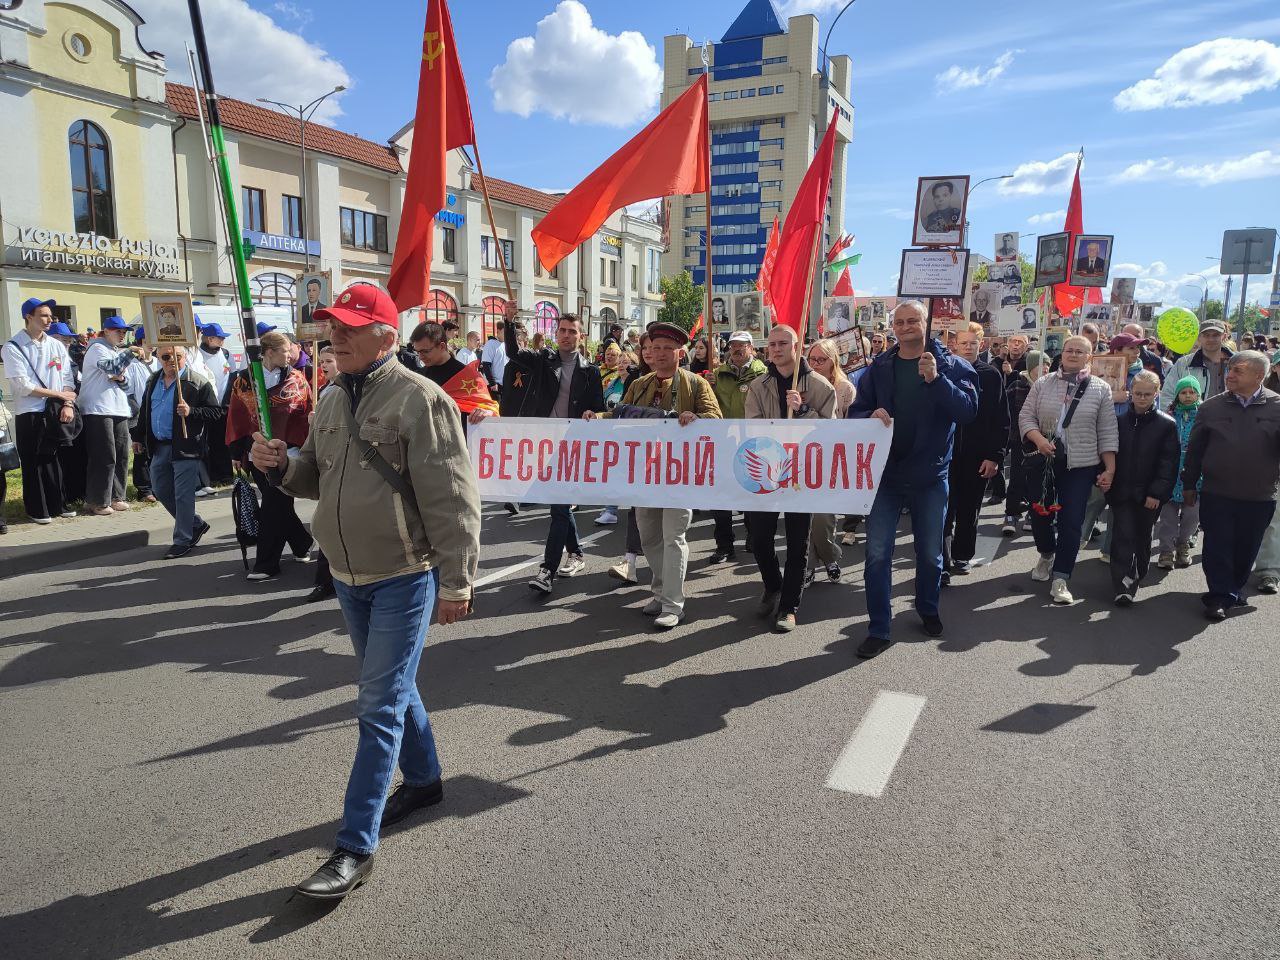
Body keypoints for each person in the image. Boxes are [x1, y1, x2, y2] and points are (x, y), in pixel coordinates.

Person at [249, 282, 480, 900]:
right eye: (332, 327)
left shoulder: (422, 400)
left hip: (404, 577)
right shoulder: (327, 401)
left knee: (377, 706)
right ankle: (426, 780)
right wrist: (277, 465)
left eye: (350, 326)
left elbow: (453, 499)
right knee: (395, 691)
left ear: (387, 334)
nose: (336, 336)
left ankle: (355, 846)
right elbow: (314, 480)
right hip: (347, 579)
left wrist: (457, 580)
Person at [848, 300, 978, 658]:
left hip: (930, 476)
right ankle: (879, 627)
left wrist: (936, 380)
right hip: (886, 475)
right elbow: (856, 409)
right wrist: (868, 413)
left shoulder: (952, 365)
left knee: (931, 554)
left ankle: (928, 607)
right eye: (899, 322)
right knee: (876, 554)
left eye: (912, 321)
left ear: (927, 323)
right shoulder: (880, 366)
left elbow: (967, 411)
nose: (905, 327)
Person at [585, 321, 721, 629]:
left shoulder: (696, 384)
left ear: (680, 353)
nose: (658, 354)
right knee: (649, 537)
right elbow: (622, 413)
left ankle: (674, 604)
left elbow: (716, 419)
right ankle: (661, 593)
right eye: (654, 348)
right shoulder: (640, 383)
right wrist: (598, 416)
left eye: (666, 349)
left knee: (674, 537)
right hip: (645, 475)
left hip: (679, 475)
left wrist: (696, 417)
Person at [478, 309, 604, 594]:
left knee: (559, 507)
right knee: (560, 505)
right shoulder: (543, 360)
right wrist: (509, 322)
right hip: (542, 443)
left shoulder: (590, 371)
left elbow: (598, 406)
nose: (567, 335)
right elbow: (512, 351)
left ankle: (547, 570)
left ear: (580, 336)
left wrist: (591, 412)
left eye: (572, 331)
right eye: (562, 330)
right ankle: (577, 553)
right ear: (555, 334)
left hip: (572, 445)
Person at [742, 326, 835, 632]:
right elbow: (753, 427)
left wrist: (804, 410)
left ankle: (788, 607)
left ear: (798, 346)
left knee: (798, 543)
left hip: (801, 474)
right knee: (759, 540)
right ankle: (773, 584)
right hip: (767, 473)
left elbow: (832, 433)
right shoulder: (758, 386)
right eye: (772, 344)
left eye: (784, 343)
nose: (777, 348)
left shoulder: (821, 386)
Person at [1019, 335, 1118, 605]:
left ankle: (1061, 577)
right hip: (1045, 460)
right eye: (1069, 350)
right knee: (1039, 515)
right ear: (1061, 354)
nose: (1073, 354)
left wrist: (1109, 467)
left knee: (1072, 521)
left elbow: (1107, 430)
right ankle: (1047, 554)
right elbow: (1026, 416)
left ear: (1089, 356)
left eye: (1080, 351)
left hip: (1081, 465)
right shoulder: (1043, 383)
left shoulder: (1100, 389)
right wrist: (1039, 440)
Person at [1180, 351, 1280, 620]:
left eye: (1239, 370)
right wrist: (1189, 484)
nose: (1230, 374)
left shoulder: (1277, 406)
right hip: (1217, 492)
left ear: (1260, 376)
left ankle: (1232, 589)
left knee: (1247, 547)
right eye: (1230, 369)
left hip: (1260, 495)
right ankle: (1219, 595)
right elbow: (1195, 451)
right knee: (1217, 545)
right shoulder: (1211, 407)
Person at [226, 331, 314, 581]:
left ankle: (266, 563)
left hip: (288, 452)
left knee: (274, 504)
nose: (292, 354)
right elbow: (237, 416)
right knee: (278, 503)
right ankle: (301, 542)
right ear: (269, 352)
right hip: (257, 454)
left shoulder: (297, 378)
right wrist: (237, 451)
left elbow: (305, 411)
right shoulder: (244, 380)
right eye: (286, 350)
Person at [131, 345, 220, 558]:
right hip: (159, 445)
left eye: (177, 356)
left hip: (186, 446)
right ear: (158, 358)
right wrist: (137, 437)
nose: (171, 360)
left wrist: (192, 411)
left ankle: (182, 540)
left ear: (185, 356)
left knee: (183, 495)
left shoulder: (197, 381)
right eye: (166, 356)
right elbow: (145, 411)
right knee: (161, 490)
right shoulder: (153, 380)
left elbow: (216, 412)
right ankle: (194, 524)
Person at [2, 297, 77, 524]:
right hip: (30, 412)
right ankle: (37, 509)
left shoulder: (55, 344)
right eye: (43, 315)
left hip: (55, 410)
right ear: (28, 317)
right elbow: (23, 386)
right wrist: (60, 396)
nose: (49, 320)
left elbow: (67, 378)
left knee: (53, 458)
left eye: (50, 315)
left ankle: (57, 504)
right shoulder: (13, 346)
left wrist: (67, 403)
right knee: (33, 460)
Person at [943, 323, 1009, 580]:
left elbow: (1001, 419)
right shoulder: (944, 372)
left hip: (977, 457)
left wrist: (995, 456)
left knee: (969, 510)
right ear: (954, 345)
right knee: (943, 511)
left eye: (973, 343)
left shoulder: (990, 376)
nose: (968, 347)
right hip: (946, 456)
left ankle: (962, 556)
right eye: (963, 343)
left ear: (980, 345)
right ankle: (942, 561)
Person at [1107, 371, 1179, 604]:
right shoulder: (1118, 422)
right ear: (1130, 392)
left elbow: (1168, 463)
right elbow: (1109, 454)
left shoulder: (1166, 425)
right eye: (1138, 393)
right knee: (1123, 535)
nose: (1142, 398)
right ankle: (1122, 585)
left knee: (1142, 536)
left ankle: (1137, 573)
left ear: (1156, 394)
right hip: (1122, 491)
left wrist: (1156, 493)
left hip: (1149, 494)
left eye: (1148, 394)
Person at [708, 331, 767, 564]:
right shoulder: (718, 374)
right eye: (733, 345)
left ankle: (753, 536)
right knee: (720, 496)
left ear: (751, 348)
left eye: (742, 346)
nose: (737, 349)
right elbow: (710, 405)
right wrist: (708, 387)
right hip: (724, 441)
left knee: (751, 491)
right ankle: (724, 545)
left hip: (752, 441)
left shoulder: (763, 374)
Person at [805, 337, 855, 583]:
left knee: (824, 518)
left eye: (821, 360)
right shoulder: (800, 384)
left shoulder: (844, 388)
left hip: (831, 458)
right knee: (807, 518)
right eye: (811, 359)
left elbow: (850, 424)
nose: (815, 364)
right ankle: (810, 565)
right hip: (803, 458)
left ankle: (830, 555)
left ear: (832, 361)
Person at [78, 315, 134, 516]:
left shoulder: (115, 351)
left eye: (124, 332)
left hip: (118, 407)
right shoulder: (97, 348)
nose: (122, 335)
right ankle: (97, 500)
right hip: (98, 408)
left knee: (121, 454)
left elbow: (125, 383)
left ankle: (116, 496)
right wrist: (130, 353)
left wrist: (121, 373)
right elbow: (112, 368)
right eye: (118, 331)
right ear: (106, 331)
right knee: (104, 455)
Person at [1157, 377, 1203, 569]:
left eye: (1192, 392)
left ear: (1198, 395)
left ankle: (1183, 545)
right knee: (1168, 517)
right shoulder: (1168, 416)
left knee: (1192, 515)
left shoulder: (1204, 416)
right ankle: (1166, 551)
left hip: (1195, 475)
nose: (1187, 396)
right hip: (1170, 473)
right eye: (1183, 392)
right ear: (1177, 395)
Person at [1002, 348, 1045, 535]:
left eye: (1048, 365)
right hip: (1020, 440)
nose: (1045, 369)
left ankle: (1031, 513)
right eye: (1040, 366)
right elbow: (1005, 412)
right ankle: (1011, 513)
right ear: (1031, 367)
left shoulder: (1051, 386)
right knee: (1017, 477)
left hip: (1043, 441)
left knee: (1038, 481)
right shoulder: (1017, 386)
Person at [196, 322, 237, 489]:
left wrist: (227, 402)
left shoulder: (226, 354)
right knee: (207, 442)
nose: (222, 341)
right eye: (220, 338)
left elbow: (233, 378)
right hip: (207, 407)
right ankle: (211, 476)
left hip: (224, 406)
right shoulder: (198, 356)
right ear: (209, 338)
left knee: (223, 441)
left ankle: (226, 474)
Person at [1160, 319, 1233, 407]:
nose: (1211, 339)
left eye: (1216, 335)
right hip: (1193, 420)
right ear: (1199, 337)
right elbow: (1167, 395)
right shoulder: (1183, 363)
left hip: (1230, 419)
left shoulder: (1238, 363)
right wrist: (1176, 417)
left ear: (1224, 337)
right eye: (1206, 335)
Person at [479, 320, 506, 398]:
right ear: (499, 331)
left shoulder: (505, 345)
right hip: (494, 386)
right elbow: (486, 364)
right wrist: (492, 383)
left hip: (504, 385)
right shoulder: (491, 344)